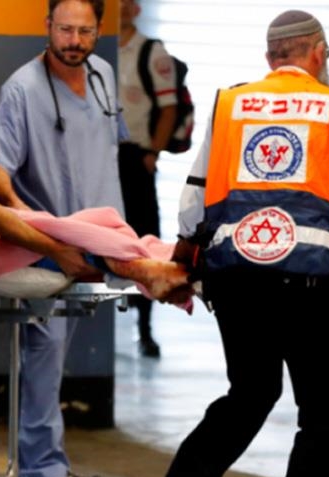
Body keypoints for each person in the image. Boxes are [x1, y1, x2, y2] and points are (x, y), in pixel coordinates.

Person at [164, 10, 329, 477]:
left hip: (234, 278)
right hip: (305, 283)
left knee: (249, 395)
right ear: (319, 53)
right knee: (326, 413)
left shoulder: (231, 103)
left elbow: (195, 195)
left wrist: (183, 257)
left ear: (270, 58)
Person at [0, 0, 127, 477]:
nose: (74, 42)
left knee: (55, 357)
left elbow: (108, 147)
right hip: (50, 244)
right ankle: (41, 472)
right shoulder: (23, 88)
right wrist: (23, 216)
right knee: (44, 354)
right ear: (47, 27)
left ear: (98, 30)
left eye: (85, 31)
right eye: (65, 30)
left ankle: (49, 465)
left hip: (103, 238)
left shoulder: (103, 75)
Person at [117, 0, 177, 358]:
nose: (122, 9)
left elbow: (168, 108)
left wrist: (153, 153)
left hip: (135, 158)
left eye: (128, 3)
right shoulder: (97, 48)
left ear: (137, 9)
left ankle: (145, 327)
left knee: (143, 241)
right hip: (102, 157)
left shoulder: (151, 52)